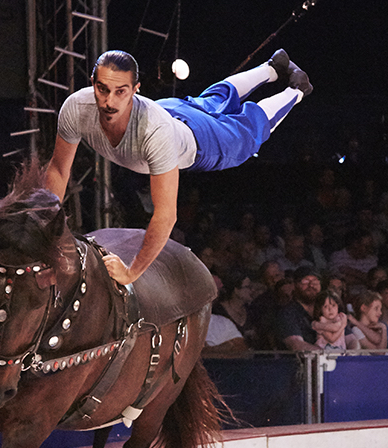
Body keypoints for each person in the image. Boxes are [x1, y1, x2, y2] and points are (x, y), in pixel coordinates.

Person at [46, 49, 311, 285]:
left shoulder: (152, 133)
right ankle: (272, 67)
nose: (109, 102)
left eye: (120, 92)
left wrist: (130, 272)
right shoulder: (76, 107)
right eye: (102, 89)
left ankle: (296, 90)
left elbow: (165, 215)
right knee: (210, 100)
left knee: (246, 135)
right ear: (92, 84)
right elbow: (59, 170)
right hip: (170, 111)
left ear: (136, 89)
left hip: (199, 141)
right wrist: (46, 231)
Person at [276, 265, 322, 351]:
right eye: (305, 281)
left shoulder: (329, 309)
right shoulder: (287, 312)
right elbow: (296, 344)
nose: (311, 285)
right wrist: (328, 355)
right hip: (298, 363)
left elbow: (350, 338)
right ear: (294, 285)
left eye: (315, 281)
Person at [212, 269, 257, 348]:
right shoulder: (218, 311)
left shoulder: (252, 311)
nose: (252, 290)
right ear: (236, 290)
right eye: (248, 287)